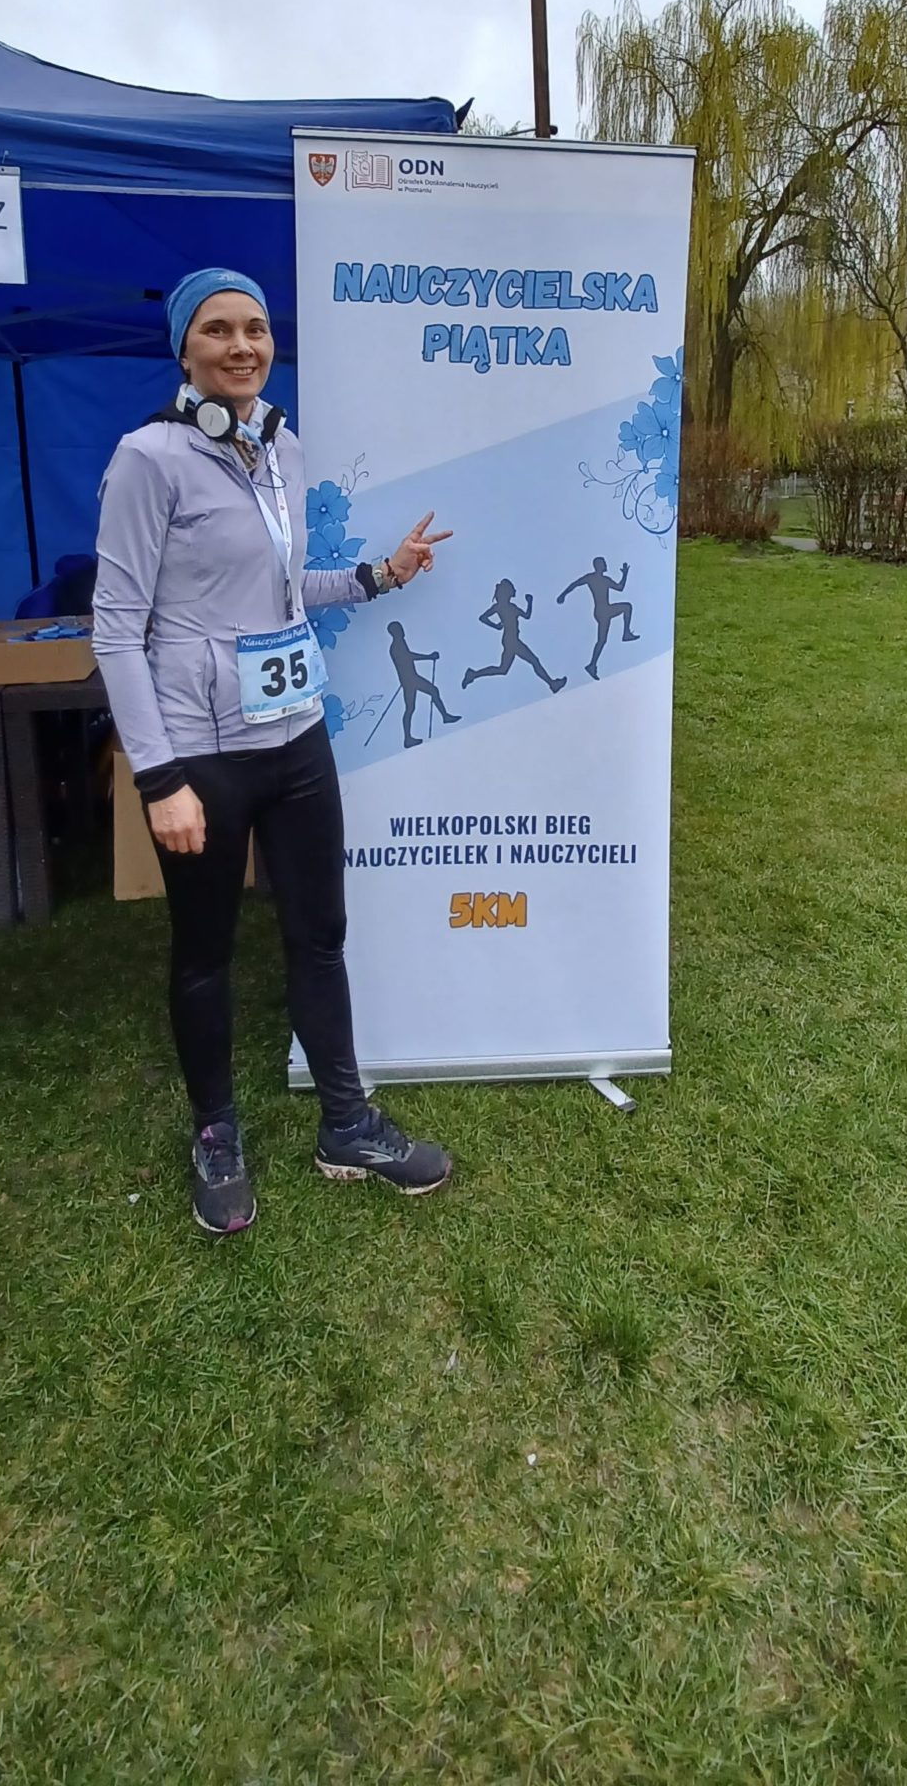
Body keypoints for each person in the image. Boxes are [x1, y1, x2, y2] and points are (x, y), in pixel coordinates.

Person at [93, 266, 453, 1235]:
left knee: (319, 934)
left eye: (254, 328)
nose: (242, 345)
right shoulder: (148, 459)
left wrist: (378, 575)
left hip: (295, 736)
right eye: (218, 329)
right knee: (205, 952)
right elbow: (116, 629)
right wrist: (159, 777)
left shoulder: (281, 449)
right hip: (201, 754)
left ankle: (347, 1124)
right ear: (184, 350)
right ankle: (216, 1134)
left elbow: (284, 590)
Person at [461, 579, 566, 695]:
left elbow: (526, 615)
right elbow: (483, 617)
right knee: (534, 661)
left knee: (503, 669)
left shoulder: (511, 607)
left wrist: (530, 602)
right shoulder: (500, 607)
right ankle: (552, 683)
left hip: (511, 640)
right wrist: (496, 626)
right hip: (511, 640)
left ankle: (473, 674)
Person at [556, 555, 638, 678]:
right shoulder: (591, 578)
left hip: (605, 610)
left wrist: (625, 574)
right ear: (598, 566)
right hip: (602, 611)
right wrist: (563, 595)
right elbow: (575, 584)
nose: (606, 565)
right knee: (627, 607)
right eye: (603, 563)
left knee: (602, 640)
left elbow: (620, 588)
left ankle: (592, 665)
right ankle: (626, 634)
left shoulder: (606, 580)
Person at [386, 620, 460, 748]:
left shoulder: (400, 643)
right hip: (409, 680)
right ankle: (408, 738)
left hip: (411, 678)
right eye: (399, 629)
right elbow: (409, 656)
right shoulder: (396, 645)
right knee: (412, 707)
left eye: (401, 628)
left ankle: (444, 717)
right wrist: (429, 657)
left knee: (428, 695)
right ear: (394, 632)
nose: (402, 631)